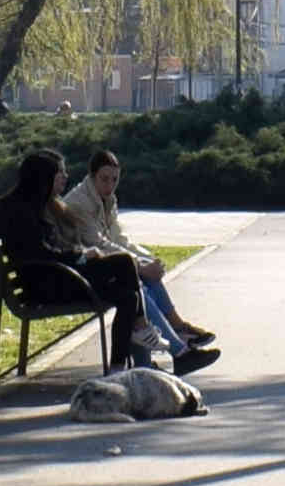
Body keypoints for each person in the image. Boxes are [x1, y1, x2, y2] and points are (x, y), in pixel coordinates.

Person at [0, 148, 211, 378]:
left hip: (62, 275)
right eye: (60, 173)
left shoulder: (43, 205)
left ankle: (120, 368)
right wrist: (80, 255)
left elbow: (60, 247)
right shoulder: (18, 212)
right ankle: (145, 333)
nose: (66, 177)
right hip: (48, 285)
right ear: (43, 177)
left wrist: (82, 254)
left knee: (129, 294)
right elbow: (39, 255)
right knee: (127, 272)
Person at [65, 146, 214, 361]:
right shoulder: (80, 203)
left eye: (114, 179)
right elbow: (98, 243)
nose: (110, 185)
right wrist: (140, 265)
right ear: (92, 176)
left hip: (104, 264)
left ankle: (177, 332)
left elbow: (119, 239)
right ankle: (177, 347)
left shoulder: (107, 199)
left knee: (143, 280)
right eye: (104, 179)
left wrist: (147, 258)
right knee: (137, 286)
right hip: (85, 272)